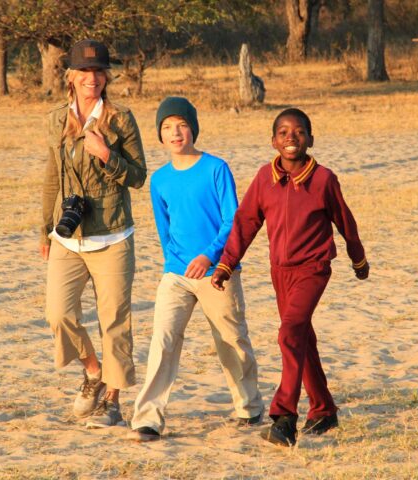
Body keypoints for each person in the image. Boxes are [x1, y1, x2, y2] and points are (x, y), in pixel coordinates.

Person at [211, 108, 369, 447]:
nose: (291, 137)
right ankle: (324, 409)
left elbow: (345, 220)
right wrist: (226, 264)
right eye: (283, 132)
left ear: (311, 140)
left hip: (313, 268)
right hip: (278, 271)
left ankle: (284, 417)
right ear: (273, 141)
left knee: (289, 332)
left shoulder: (324, 179)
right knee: (301, 337)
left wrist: (359, 259)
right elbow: (245, 223)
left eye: (298, 132)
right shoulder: (264, 178)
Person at [127, 97, 263, 442]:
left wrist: (209, 256)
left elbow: (233, 220)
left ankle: (248, 406)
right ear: (160, 135)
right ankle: (148, 419)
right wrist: (174, 262)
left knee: (231, 340)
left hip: (218, 271)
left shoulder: (216, 168)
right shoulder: (159, 179)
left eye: (182, 125)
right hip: (175, 273)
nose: (175, 133)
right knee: (163, 340)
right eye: (167, 127)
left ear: (193, 129)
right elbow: (164, 226)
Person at [40, 39, 147, 428]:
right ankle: (93, 370)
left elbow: (137, 176)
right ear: (70, 76)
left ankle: (113, 402)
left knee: (114, 320)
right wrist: (44, 230)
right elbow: (52, 176)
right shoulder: (56, 119)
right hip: (67, 235)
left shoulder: (120, 119)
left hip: (113, 234)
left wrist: (106, 155)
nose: (93, 78)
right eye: (85, 71)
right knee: (58, 313)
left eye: (99, 71)